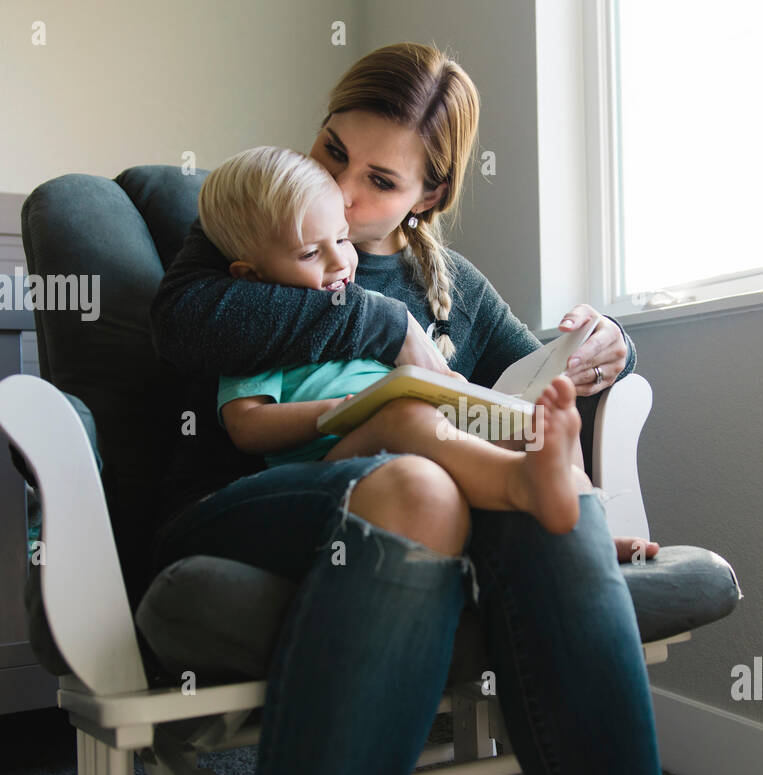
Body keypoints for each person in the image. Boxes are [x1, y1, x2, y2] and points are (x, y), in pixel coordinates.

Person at [149, 42, 672, 775]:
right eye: (334, 152)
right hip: (243, 501)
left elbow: (528, 382)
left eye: (382, 182)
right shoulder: (256, 219)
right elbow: (186, 326)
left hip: (408, 500)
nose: (346, 196)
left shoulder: (449, 283)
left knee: (546, 505)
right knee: (424, 484)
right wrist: (385, 325)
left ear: (429, 194)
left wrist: (608, 348)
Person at [199, 144, 593, 535]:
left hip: (415, 438)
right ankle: (520, 485)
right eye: (308, 254)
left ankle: (590, 524)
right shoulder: (257, 329)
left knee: (530, 421)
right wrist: (341, 410)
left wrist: (456, 393)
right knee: (400, 415)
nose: (338, 262)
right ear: (251, 277)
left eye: (340, 240)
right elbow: (246, 426)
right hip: (328, 461)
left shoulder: (374, 307)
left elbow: (425, 376)